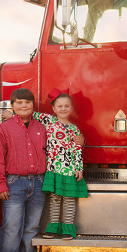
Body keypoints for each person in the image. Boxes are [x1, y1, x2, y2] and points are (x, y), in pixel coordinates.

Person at [0, 88, 47, 252]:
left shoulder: (41, 128)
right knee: (12, 227)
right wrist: (0, 183)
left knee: (31, 228)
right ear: (12, 106)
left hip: (38, 183)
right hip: (14, 183)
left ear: (33, 106)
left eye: (28, 102)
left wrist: (78, 141)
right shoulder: (5, 128)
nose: (24, 106)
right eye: (19, 102)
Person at [34, 88, 88, 240]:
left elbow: (77, 149)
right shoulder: (49, 121)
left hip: (70, 169)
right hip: (53, 168)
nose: (63, 109)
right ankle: (53, 227)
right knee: (55, 198)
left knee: (69, 199)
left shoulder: (74, 129)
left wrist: (79, 168)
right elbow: (30, 113)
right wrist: (10, 113)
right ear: (53, 109)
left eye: (67, 106)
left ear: (71, 108)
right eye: (60, 106)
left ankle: (68, 229)